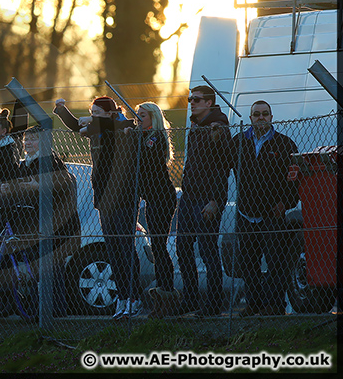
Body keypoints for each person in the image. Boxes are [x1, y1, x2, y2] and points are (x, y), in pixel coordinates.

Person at [54, 96, 140, 319]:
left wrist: (94, 122)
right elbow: (75, 126)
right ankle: (123, 297)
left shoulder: (121, 126)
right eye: (91, 113)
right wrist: (62, 110)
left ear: (110, 113)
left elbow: (125, 124)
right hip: (103, 198)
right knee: (113, 248)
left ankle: (133, 297)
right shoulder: (96, 128)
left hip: (122, 197)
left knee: (125, 247)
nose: (92, 117)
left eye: (97, 113)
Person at [0, 124, 80, 317]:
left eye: (33, 139)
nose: (28, 143)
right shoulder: (24, 164)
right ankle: (40, 309)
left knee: (53, 267)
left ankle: (57, 309)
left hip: (55, 224)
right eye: (26, 139)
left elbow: (67, 183)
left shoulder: (50, 161)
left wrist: (40, 185)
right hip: (34, 225)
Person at [232, 101, 299, 317]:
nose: (261, 117)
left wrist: (285, 203)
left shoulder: (285, 145)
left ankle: (274, 306)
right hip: (245, 213)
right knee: (248, 263)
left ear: (271, 117)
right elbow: (221, 163)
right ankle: (254, 304)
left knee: (275, 263)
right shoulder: (238, 142)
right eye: (256, 114)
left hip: (272, 214)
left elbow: (296, 180)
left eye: (265, 114)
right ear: (250, 118)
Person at [176, 85, 232, 317]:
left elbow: (223, 168)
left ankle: (212, 306)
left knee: (208, 252)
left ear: (209, 102)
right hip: (188, 197)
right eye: (190, 99)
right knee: (183, 248)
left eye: (197, 99)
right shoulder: (196, 126)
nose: (192, 102)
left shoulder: (217, 126)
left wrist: (215, 201)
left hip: (207, 199)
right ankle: (190, 300)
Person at [125, 102, 179, 318]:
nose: (139, 119)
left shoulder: (155, 137)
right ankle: (163, 293)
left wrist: (133, 137)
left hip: (162, 197)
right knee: (157, 247)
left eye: (143, 115)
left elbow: (145, 160)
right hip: (151, 198)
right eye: (137, 115)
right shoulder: (143, 136)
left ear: (153, 117)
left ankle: (167, 293)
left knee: (159, 245)